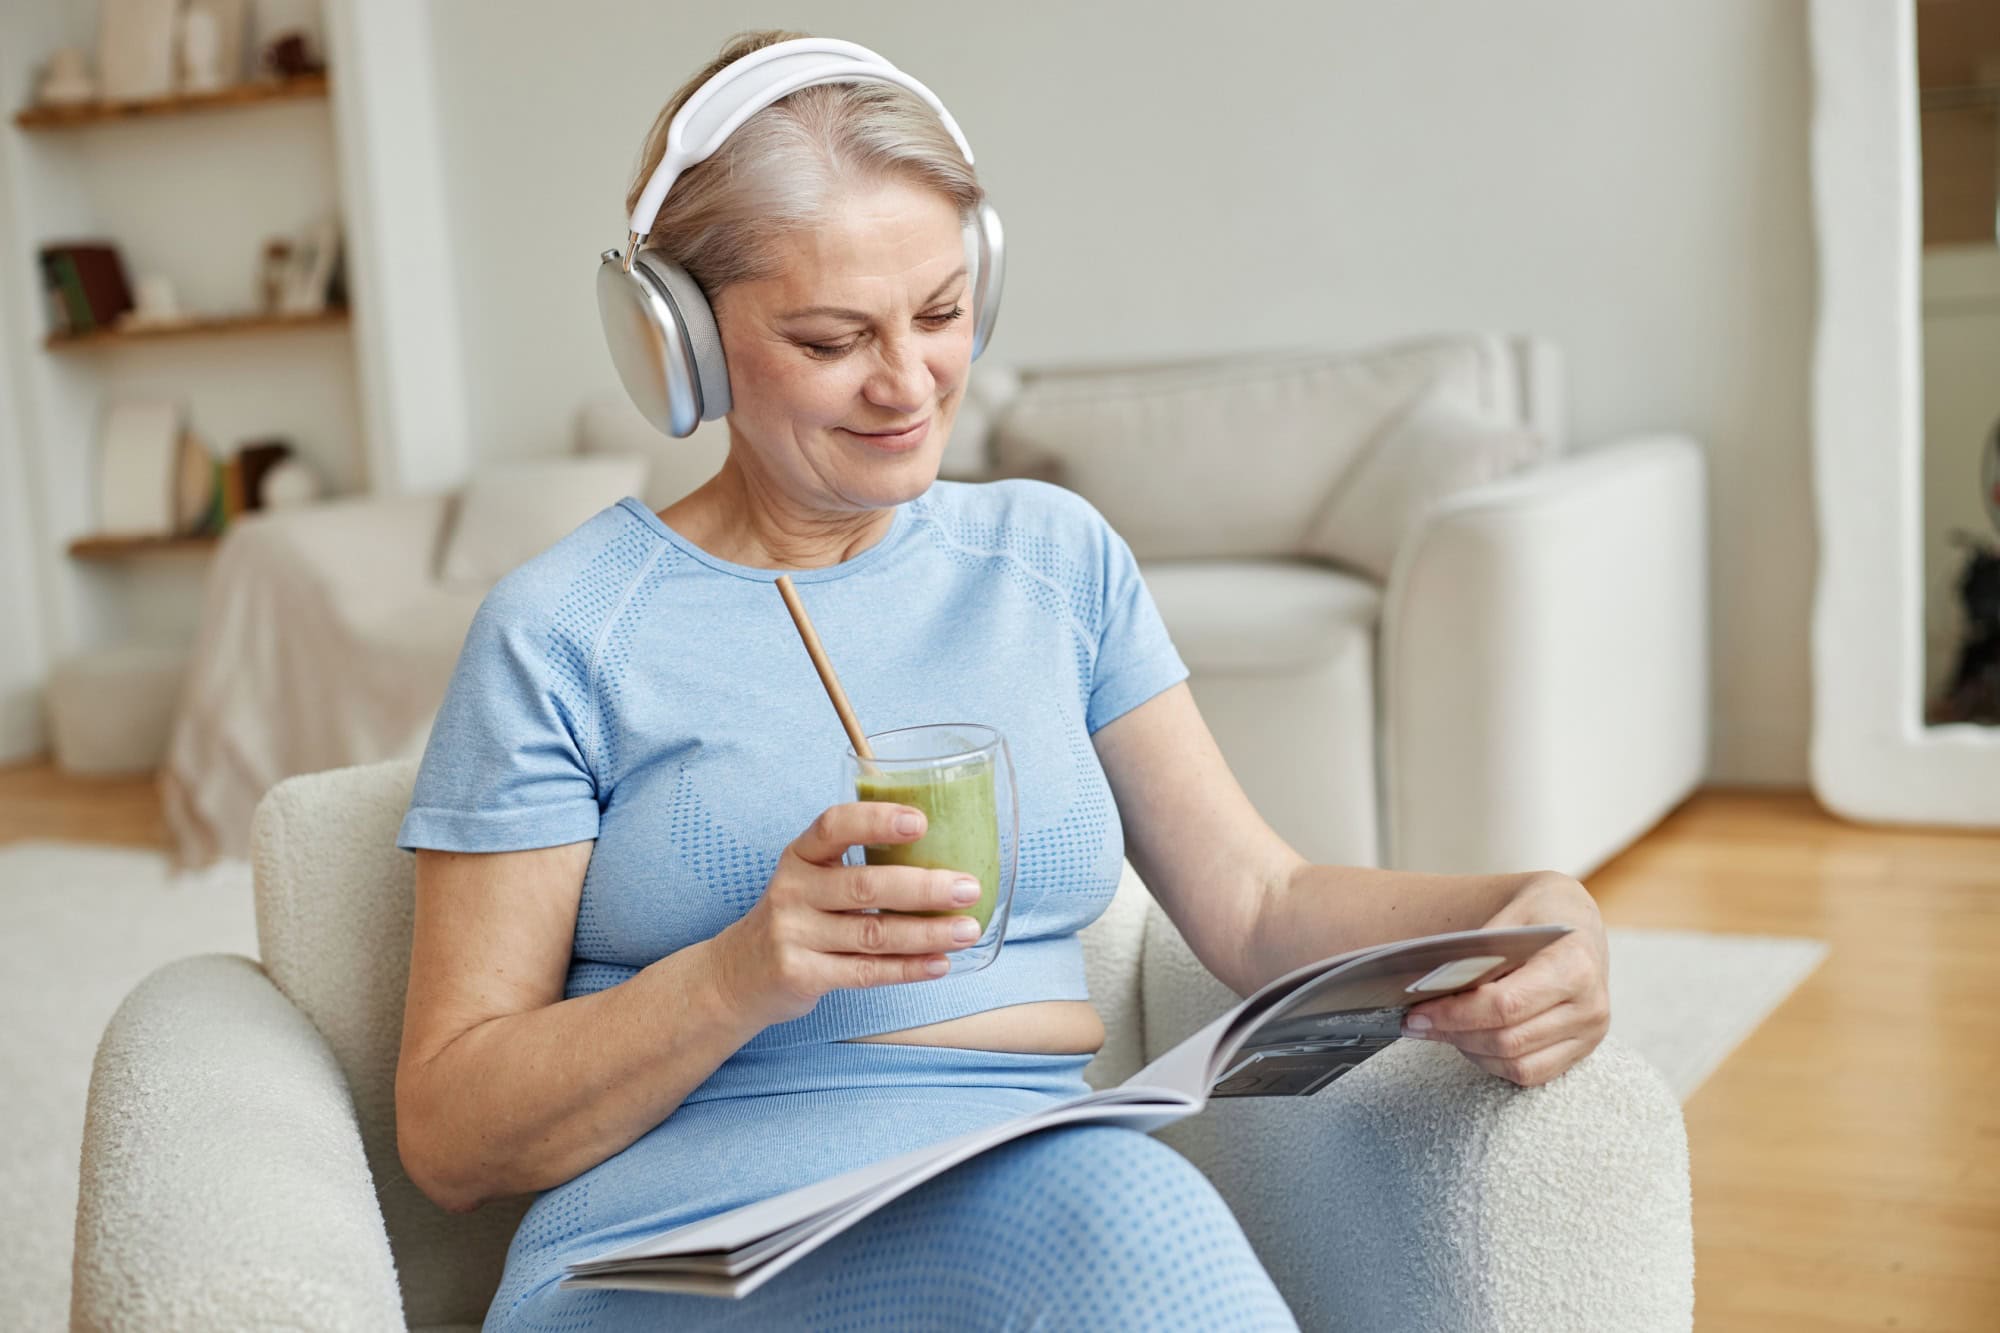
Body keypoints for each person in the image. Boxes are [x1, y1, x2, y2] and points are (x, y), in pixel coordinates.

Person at [392, 29, 1612, 1332]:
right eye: (829, 338)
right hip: (668, 1251)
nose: (908, 382)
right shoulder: (560, 628)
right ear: (678, 341)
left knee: (1135, 1217)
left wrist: (1522, 910)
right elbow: (450, 1135)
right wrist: (745, 968)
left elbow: (1259, 902)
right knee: (1125, 1221)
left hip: (1019, 1196)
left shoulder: (1053, 559)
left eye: (939, 313)